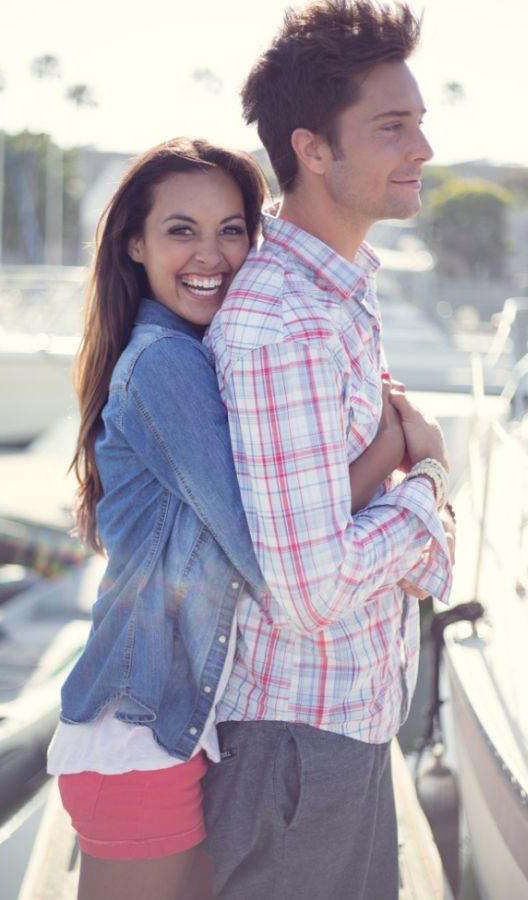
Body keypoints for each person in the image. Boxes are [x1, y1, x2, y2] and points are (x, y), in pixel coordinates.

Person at [47, 135, 430, 900]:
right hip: (136, 734)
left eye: (231, 229)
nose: (211, 254)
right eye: (180, 230)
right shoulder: (165, 363)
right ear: (134, 244)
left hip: (175, 728)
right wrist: (401, 451)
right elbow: (266, 547)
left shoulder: (196, 352)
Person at [202, 3, 456, 899]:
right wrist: (429, 485)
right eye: (392, 127)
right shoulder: (287, 326)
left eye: (418, 122)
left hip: (330, 735)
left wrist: (406, 496)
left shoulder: (334, 293)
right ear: (312, 149)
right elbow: (310, 589)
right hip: (296, 755)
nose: (422, 148)